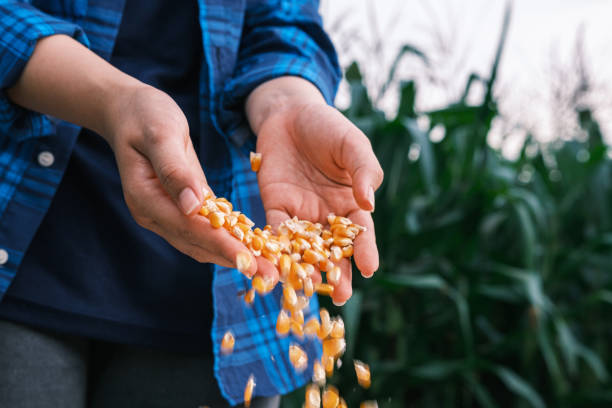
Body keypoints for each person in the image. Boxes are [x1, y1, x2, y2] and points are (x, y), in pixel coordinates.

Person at [0, 0, 383, 406]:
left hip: (220, 288)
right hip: (21, 232)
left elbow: (282, 23)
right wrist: (114, 100)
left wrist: (288, 105)